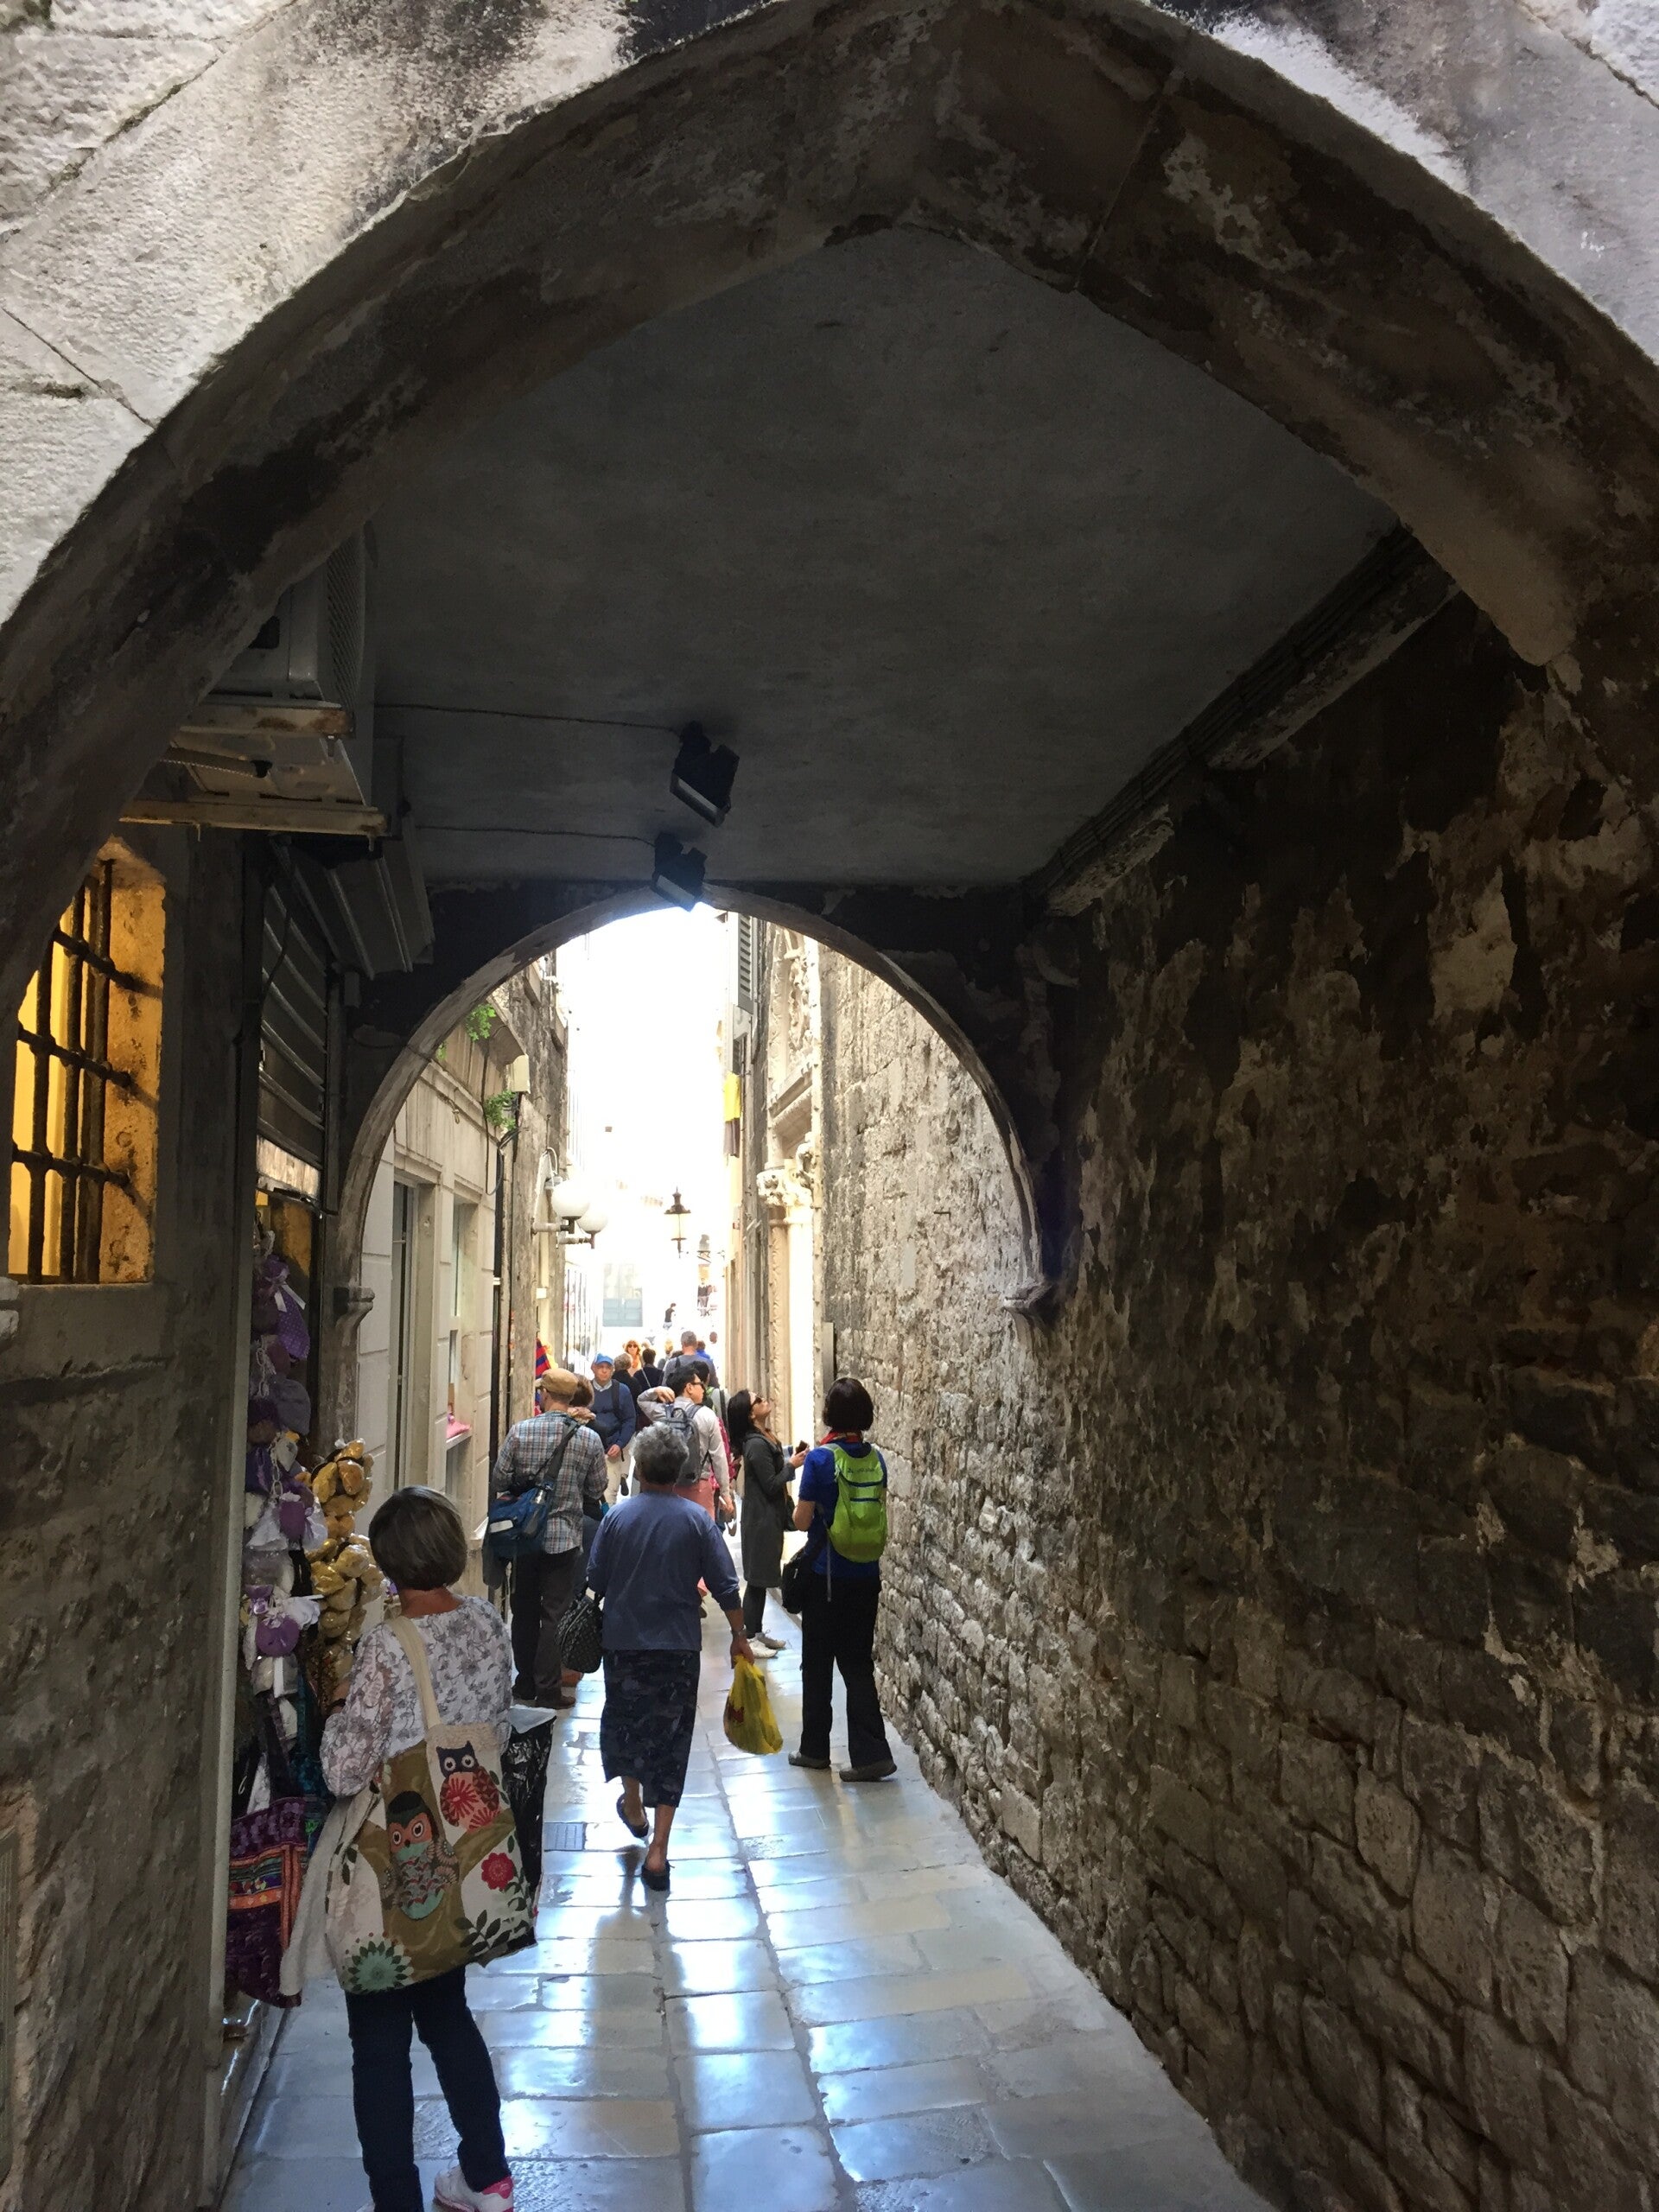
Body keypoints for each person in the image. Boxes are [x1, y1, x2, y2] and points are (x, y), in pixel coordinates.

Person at [321, 1486, 517, 2212]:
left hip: (394, 1864)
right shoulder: (486, 1622)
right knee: (447, 2015)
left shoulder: (386, 1646)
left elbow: (345, 1769)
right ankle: (487, 2175)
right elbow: (495, 1722)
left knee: (378, 2044)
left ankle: (396, 2200)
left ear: (390, 1564)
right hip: (462, 1849)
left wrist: (338, 1709)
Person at [587, 1422, 753, 1889]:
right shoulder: (696, 1521)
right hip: (678, 1647)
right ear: (678, 1471)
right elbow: (725, 1585)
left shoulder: (618, 1519)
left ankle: (633, 1804)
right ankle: (658, 1851)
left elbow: (595, 1579)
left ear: (639, 1469)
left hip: (624, 1644)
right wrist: (739, 1635)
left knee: (627, 1724)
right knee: (671, 1740)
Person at [790, 1376, 897, 1782]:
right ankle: (871, 1754)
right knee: (858, 1664)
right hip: (866, 1576)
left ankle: (815, 1749)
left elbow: (802, 1521)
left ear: (830, 1414)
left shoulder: (820, 1460)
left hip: (827, 1577)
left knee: (817, 1664)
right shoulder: (876, 1459)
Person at [491, 1366, 606, 1707]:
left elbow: (500, 1480)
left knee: (524, 1610)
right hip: (565, 1538)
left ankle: (524, 1683)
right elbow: (597, 1489)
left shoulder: (521, 1431)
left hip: (525, 1537)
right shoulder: (588, 1439)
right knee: (555, 1612)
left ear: (545, 1395)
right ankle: (549, 1689)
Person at [727, 1389, 790, 1652]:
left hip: (766, 1517)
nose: (765, 1400)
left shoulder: (763, 1438)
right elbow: (771, 1484)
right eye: (758, 1400)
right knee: (756, 1581)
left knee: (760, 1579)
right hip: (761, 1519)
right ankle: (750, 1637)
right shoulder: (755, 1444)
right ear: (751, 1414)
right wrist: (793, 1466)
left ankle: (756, 1631)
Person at [672, 1360, 732, 1521]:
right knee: (702, 1531)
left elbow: (642, 1401)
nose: (703, 1389)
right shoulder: (707, 1415)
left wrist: (656, 1391)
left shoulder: (664, 1411)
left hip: (670, 1488)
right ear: (689, 1387)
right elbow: (719, 1458)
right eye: (699, 1384)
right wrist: (725, 1493)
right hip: (700, 1484)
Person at [589, 1351, 638, 1502]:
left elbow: (629, 1420)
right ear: (593, 1368)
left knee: (609, 1495)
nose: (604, 1371)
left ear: (613, 1370)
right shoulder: (586, 1389)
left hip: (611, 1451)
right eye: (600, 1367)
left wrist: (620, 1444)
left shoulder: (622, 1391)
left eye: (608, 1367)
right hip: (588, 1451)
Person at [664, 1327, 717, 1391]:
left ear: (683, 1344)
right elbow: (715, 1388)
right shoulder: (708, 1363)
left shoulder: (672, 1364)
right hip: (702, 1396)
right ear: (696, 1344)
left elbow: (664, 1389)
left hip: (678, 1397)